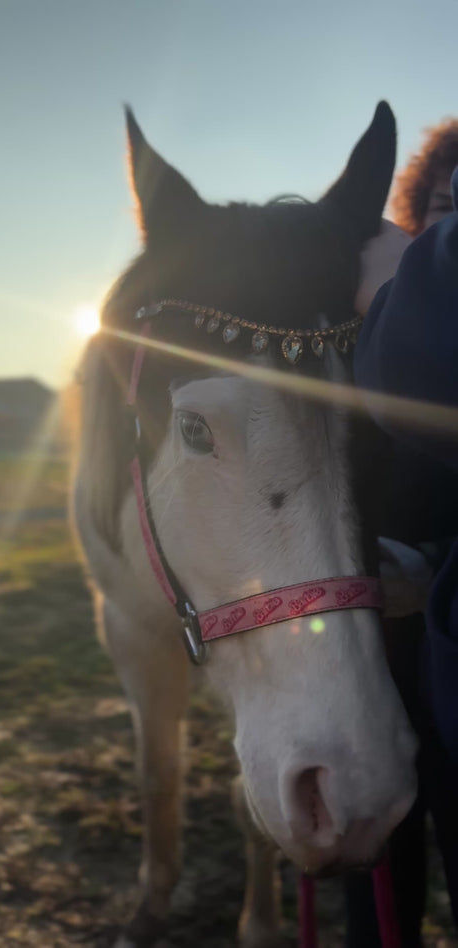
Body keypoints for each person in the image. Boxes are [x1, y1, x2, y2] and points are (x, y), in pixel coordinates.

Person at [344, 123, 458, 947]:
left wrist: (433, 569)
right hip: (374, 635)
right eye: (441, 205)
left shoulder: (412, 332)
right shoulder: (374, 334)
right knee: (375, 866)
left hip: (439, 623)